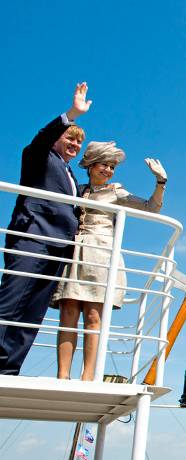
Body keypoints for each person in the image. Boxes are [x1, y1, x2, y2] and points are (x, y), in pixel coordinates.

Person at [51, 142, 167, 380]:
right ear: (91, 164)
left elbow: (151, 208)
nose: (108, 170)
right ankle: (63, 375)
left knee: (93, 317)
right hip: (74, 254)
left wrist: (160, 183)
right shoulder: (77, 189)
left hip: (100, 255)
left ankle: (87, 376)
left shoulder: (116, 191)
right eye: (104, 164)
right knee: (68, 313)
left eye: (112, 166)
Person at [0, 84, 91, 375]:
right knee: (11, 302)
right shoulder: (39, 158)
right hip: (34, 238)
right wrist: (72, 114)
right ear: (56, 140)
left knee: (33, 313)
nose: (75, 145)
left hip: (59, 248)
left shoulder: (71, 175)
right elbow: (41, 139)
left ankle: (8, 369)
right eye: (70, 138)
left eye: (79, 143)